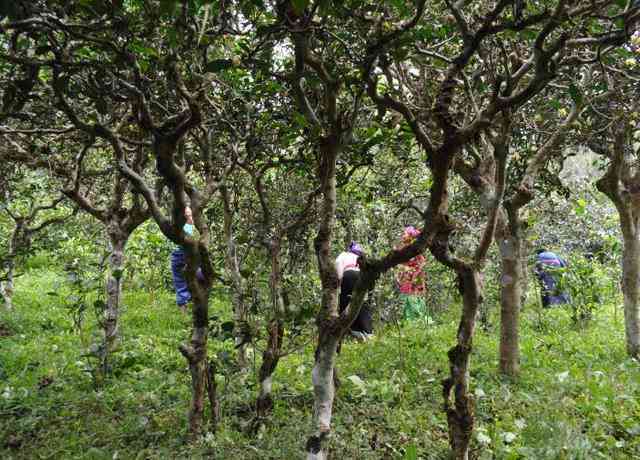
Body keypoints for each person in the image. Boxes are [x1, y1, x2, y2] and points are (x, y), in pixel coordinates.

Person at [335, 241, 373, 340]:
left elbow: (338, 264)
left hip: (349, 275)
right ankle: (367, 331)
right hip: (362, 276)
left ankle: (352, 330)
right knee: (362, 303)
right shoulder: (360, 257)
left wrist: (339, 281)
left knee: (346, 302)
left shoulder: (343, 255)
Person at [170, 206, 202, 312]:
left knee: (181, 285)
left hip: (176, 254)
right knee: (201, 275)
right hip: (183, 254)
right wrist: (189, 218)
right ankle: (190, 314)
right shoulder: (185, 225)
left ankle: (184, 315)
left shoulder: (173, 224)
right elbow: (194, 238)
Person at [395, 226, 428, 320]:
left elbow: (421, 262)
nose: (402, 235)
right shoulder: (403, 248)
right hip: (406, 279)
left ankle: (417, 321)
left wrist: (412, 273)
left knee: (414, 299)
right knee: (407, 299)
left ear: (410, 236)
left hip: (414, 279)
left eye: (404, 233)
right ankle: (409, 322)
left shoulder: (414, 249)